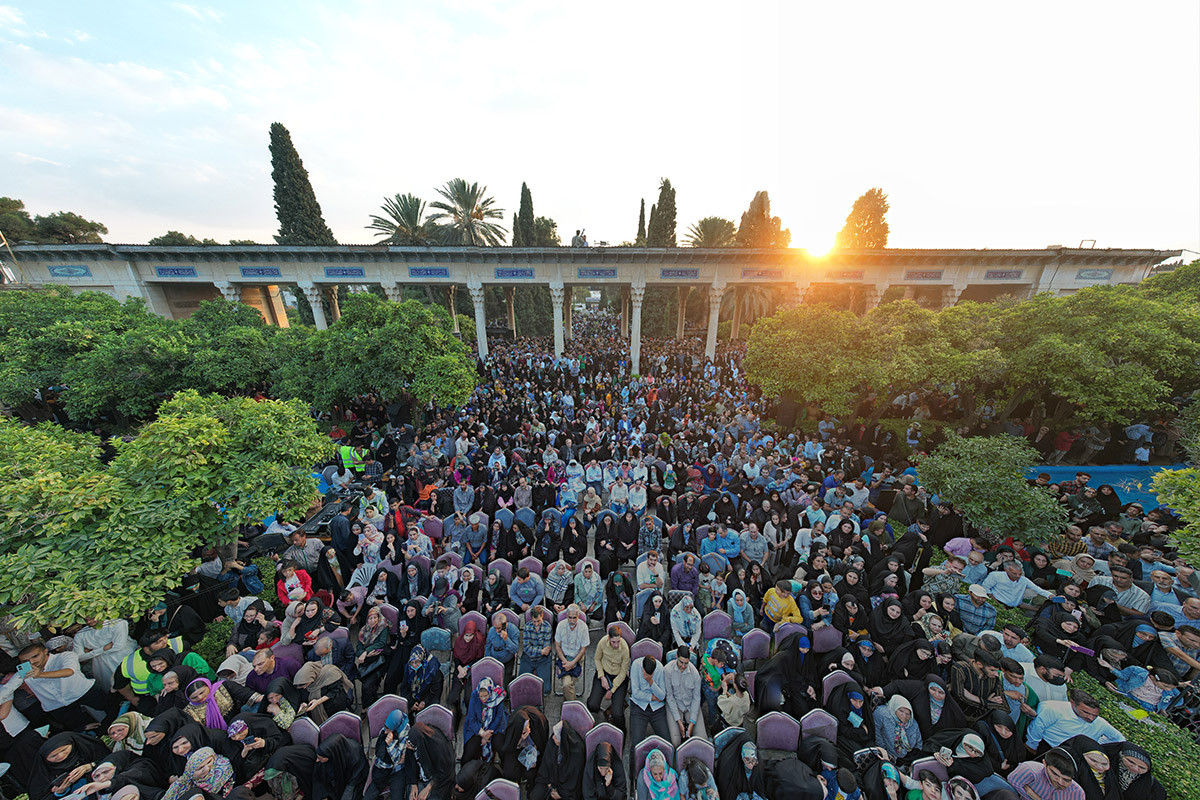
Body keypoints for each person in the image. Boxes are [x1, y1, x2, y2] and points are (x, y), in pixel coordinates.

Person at [663, 645, 706, 747]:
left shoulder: (695, 675)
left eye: (686, 663)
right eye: (681, 662)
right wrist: (678, 721)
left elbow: (696, 699)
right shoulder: (667, 670)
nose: (683, 666)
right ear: (677, 657)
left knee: (702, 739)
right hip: (675, 705)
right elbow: (669, 696)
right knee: (675, 742)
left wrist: (692, 722)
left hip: (690, 705)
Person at [588, 624, 631, 723]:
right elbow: (597, 659)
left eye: (618, 641)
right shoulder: (602, 642)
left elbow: (623, 672)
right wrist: (602, 677)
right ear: (609, 638)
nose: (616, 645)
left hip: (619, 677)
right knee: (592, 705)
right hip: (604, 674)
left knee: (617, 714)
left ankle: (622, 732)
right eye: (613, 642)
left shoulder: (624, 648)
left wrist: (612, 690)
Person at [532, 721, 586, 800]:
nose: (553, 737)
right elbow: (546, 765)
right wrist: (549, 783)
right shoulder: (553, 742)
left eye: (556, 736)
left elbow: (574, 781)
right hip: (550, 780)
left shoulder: (577, 753)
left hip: (567, 791)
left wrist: (561, 794)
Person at [1006, 748, 1086, 800]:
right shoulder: (1029, 771)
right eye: (1055, 774)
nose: (1060, 782)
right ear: (1044, 763)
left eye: (1066, 780)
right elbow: (1006, 793)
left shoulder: (1077, 793)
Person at [462, 677, 509, 764]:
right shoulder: (474, 695)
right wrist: (483, 733)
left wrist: (488, 733)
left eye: (485, 696)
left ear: (490, 692)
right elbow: (471, 718)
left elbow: (499, 717)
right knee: (469, 752)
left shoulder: (498, 695)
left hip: (494, 726)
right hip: (478, 727)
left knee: (500, 746)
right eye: (481, 696)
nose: (483, 699)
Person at [628, 656, 672, 746]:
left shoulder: (660, 668)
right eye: (647, 674)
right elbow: (636, 693)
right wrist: (653, 697)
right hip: (639, 706)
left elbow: (662, 695)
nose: (649, 676)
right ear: (643, 668)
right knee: (636, 745)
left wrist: (650, 681)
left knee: (667, 743)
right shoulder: (636, 665)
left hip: (656, 708)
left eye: (651, 674)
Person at [314, 732, 369, 800]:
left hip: (352, 781)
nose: (317, 760)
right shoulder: (332, 754)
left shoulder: (355, 755)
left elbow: (354, 781)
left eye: (320, 758)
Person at [555, 604, 590, 700]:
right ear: (566, 616)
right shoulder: (561, 625)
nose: (572, 621)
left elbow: (583, 649)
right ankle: (573, 705)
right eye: (570, 618)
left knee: (568, 685)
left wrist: (572, 663)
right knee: (567, 684)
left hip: (577, 659)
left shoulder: (584, 627)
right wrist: (566, 662)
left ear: (578, 617)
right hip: (564, 658)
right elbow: (557, 646)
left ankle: (567, 700)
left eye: (574, 618)